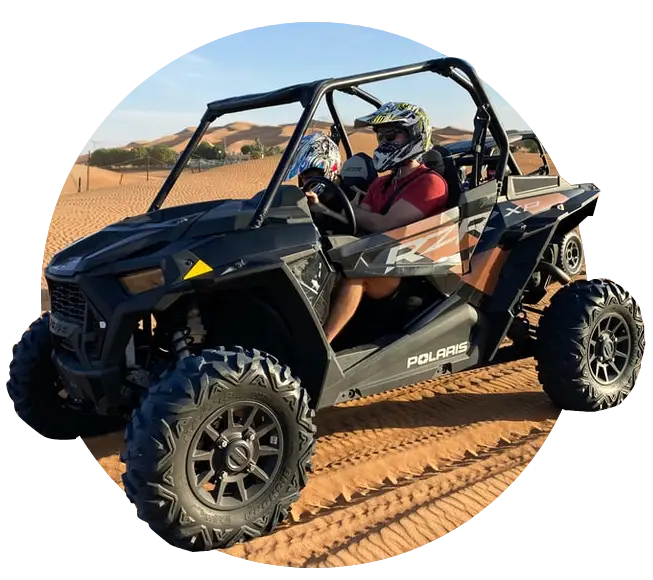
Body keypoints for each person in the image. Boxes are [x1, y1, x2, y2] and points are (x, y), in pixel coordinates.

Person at [315, 102, 450, 344]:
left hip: (413, 270)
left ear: (414, 135)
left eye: (391, 135)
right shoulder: (381, 184)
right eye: (380, 136)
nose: (384, 143)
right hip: (379, 258)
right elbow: (361, 221)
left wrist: (349, 210)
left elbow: (384, 224)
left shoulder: (430, 183)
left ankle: (322, 346)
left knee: (356, 274)